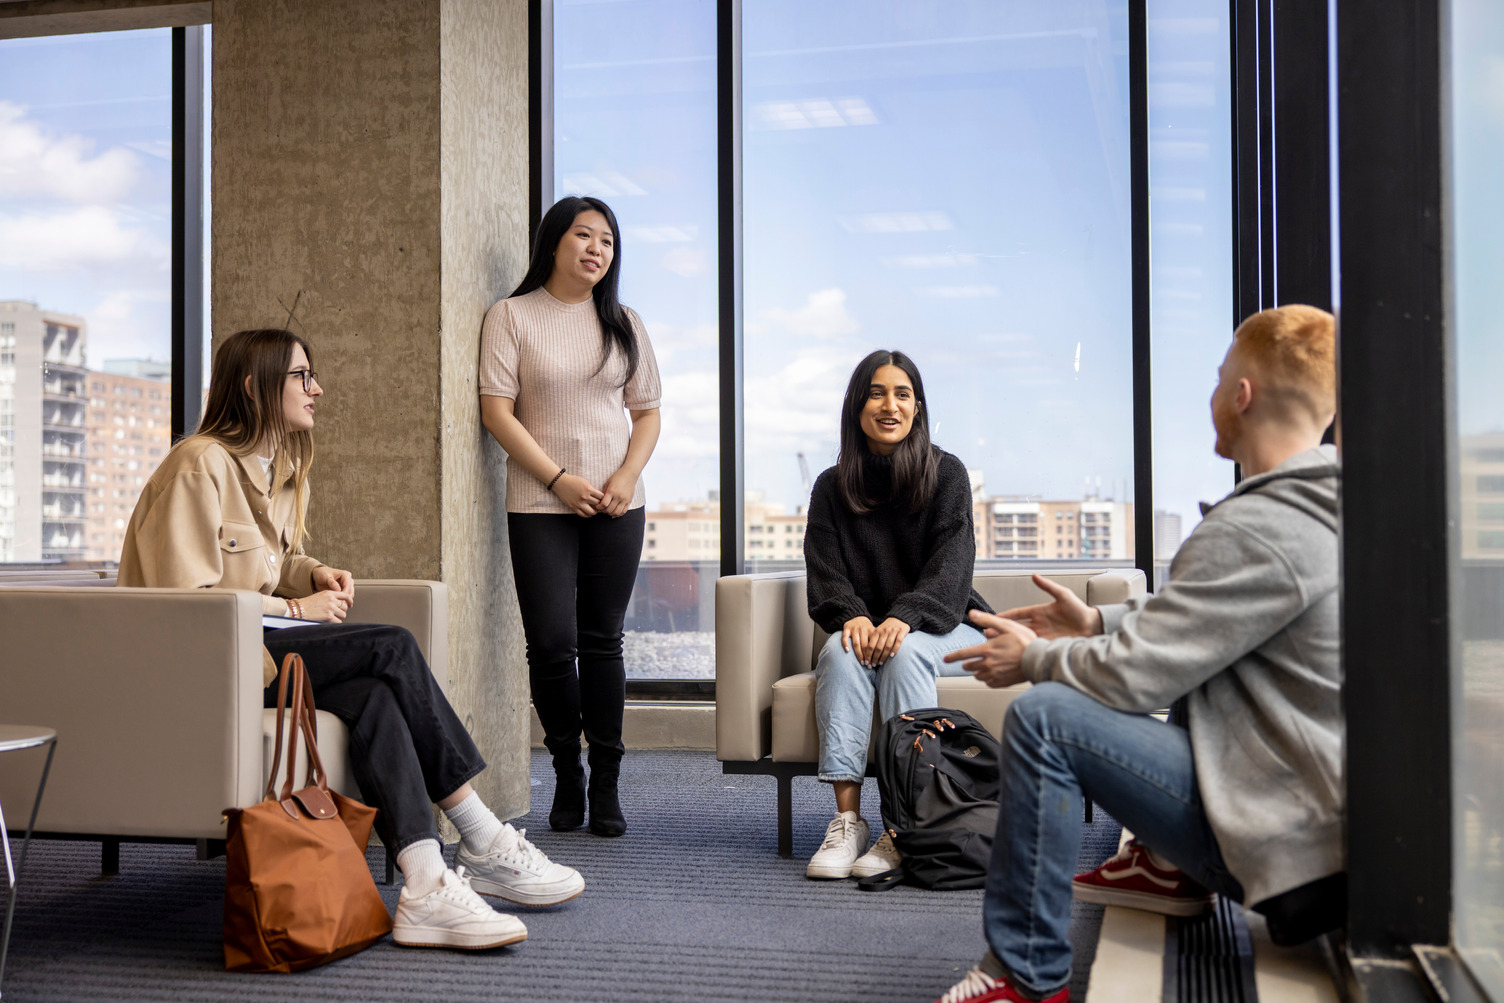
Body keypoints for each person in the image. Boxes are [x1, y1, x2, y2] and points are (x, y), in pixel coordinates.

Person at [118, 327, 585, 952]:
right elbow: (184, 603)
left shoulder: (279, 469)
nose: (318, 389)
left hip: (257, 652)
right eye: (302, 377)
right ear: (255, 387)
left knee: (373, 691)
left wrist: (309, 572)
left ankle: (423, 884)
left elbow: (262, 561)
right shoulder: (197, 464)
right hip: (207, 663)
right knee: (389, 646)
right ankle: (482, 834)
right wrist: (295, 605)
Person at [927, 305, 1342, 1003]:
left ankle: (1023, 976)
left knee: (1045, 719)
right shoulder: (1319, 506)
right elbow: (1198, 617)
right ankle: (1166, 866)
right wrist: (1094, 619)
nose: (1212, 396)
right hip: (1310, 822)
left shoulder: (1260, 526)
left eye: (1218, 378)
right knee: (1186, 667)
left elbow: (1133, 677)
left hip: (1285, 848)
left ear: (1243, 394)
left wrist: (1032, 659)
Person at [479, 196, 662, 838]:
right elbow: (497, 411)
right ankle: (566, 772)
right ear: (554, 243)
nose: (596, 250)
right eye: (583, 236)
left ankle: (608, 782)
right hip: (539, 504)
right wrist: (558, 480)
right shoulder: (511, 317)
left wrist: (625, 478)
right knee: (553, 644)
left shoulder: (625, 323)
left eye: (607, 242)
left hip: (616, 503)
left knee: (602, 642)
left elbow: (647, 414)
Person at [803, 349, 992, 880]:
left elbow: (952, 570)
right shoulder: (830, 486)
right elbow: (825, 572)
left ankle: (903, 827)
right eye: (877, 392)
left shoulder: (946, 473)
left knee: (905, 655)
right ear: (857, 406)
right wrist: (851, 617)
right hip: (873, 627)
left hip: (943, 626)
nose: (891, 405)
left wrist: (904, 616)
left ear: (918, 406)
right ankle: (847, 823)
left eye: (903, 394)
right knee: (840, 655)